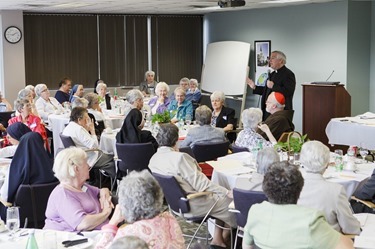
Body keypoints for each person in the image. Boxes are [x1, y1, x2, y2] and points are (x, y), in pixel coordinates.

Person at [148, 124, 235, 248]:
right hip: (194, 203)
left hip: (176, 204)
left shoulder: (153, 159)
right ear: (176, 139)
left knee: (218, 196)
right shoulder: (180, 158)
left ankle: (217, 239)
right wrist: (226, 192)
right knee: (232, 203)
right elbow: (202, 184)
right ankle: (227, 238)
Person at [242, 161, 354, 249]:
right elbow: (347, 247)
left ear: (265, 188)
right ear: (300, 189)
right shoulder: (311, 220)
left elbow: (246, 246)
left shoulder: (255, 211)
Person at [96, 170, 184, 249]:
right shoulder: (169, 219)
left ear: (125, 202)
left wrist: (112, 223)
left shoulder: (128, 234)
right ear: (158, 195)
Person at [298, 141, 361, 235]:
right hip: (328, 242)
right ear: (327, 164)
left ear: (302, 161)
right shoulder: (336, 190)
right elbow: (350, 228)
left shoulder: (292, 187)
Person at [44, 147, 113, 232]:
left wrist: (104, 194)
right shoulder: (63, 194)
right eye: (86, 163)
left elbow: (102, 190)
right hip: (74, 240)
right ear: (76, 169)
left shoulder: (82, 186)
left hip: (96, 235)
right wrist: (106, 212)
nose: (89, 166)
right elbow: (83, 224)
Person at [0, 132, 57, 220]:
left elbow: (5, 196)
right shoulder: (54, 168)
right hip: (49, 215)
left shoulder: (16, 169)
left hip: (21, 217)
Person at [62, 107, 116, 187]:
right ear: (79, 119)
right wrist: (92, 130)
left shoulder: (68, 127)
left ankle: (104, 181)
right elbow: (94, 145)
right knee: (113, 156)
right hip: (89, 157)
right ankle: (113, 183)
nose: (88, 121)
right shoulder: (79, 129)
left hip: (76, 157)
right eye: (86, 119)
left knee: (109, 159)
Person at [247, 50, 296, 121]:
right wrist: (254, 87)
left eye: (273, 58)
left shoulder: (288, 74)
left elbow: (289, 91)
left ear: (281, 61)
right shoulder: (273, 73)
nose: (270, 60)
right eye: (269, 58)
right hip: (268, 110)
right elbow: (266, 91)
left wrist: (273, 86)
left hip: (280, 112)